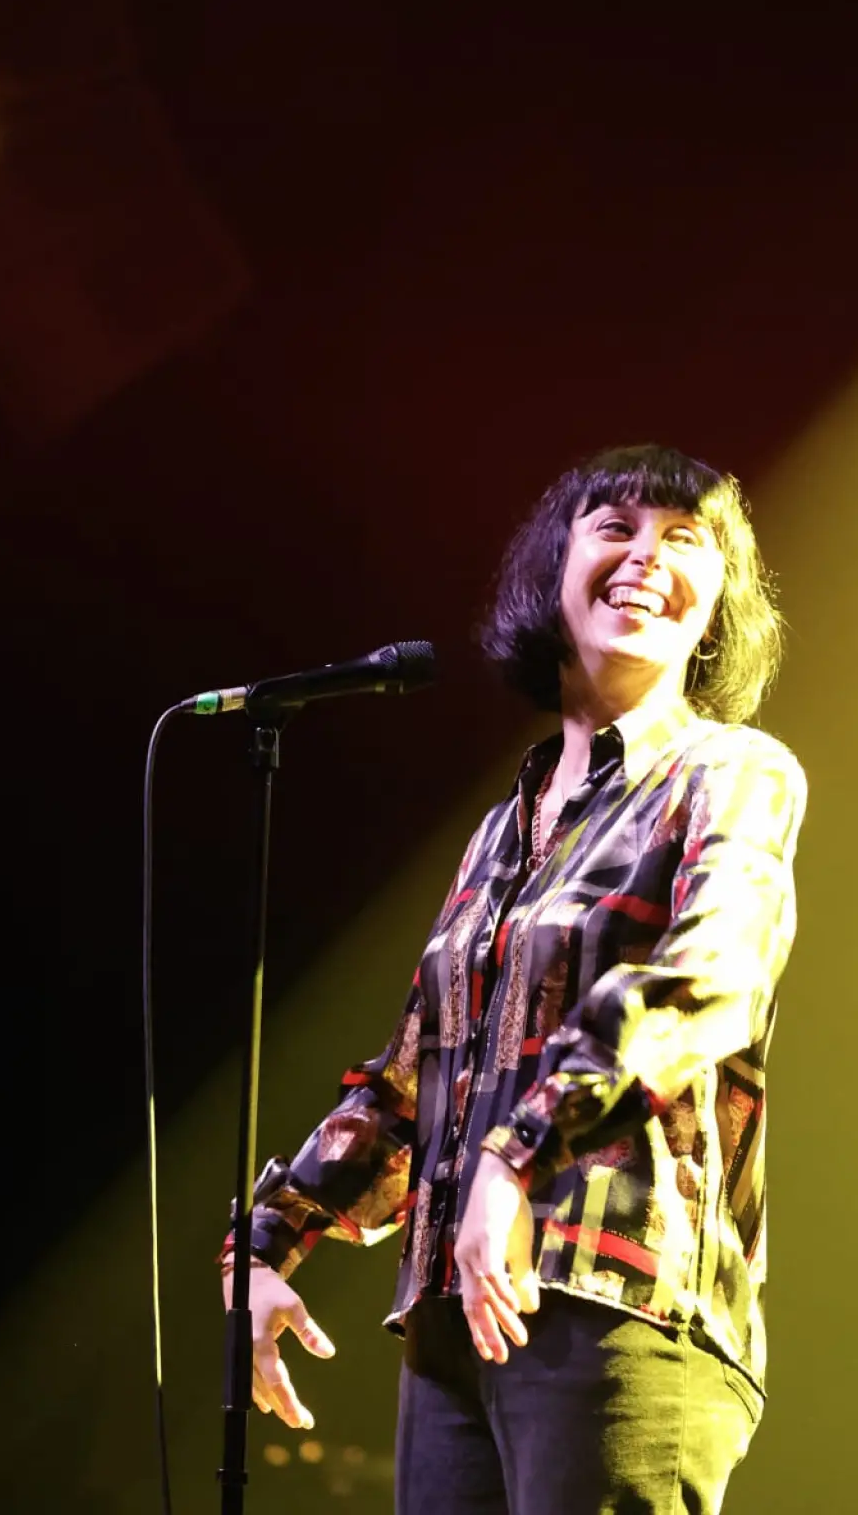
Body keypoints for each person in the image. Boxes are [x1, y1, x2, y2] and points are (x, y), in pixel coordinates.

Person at [221, 443, 807, 1513]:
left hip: (623, 1302)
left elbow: (711, 977)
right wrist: (263, 1244)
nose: (647, 556)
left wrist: (518, 1151)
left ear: (718, 603)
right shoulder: (504, 826)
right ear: (554, 569)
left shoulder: (730, 772)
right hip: (453, 1320)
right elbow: (414, 1077)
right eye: (615, 527)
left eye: (684, 539)